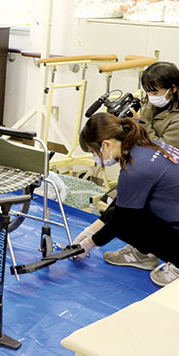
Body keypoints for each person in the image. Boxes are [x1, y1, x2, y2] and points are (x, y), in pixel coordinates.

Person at [74, 112, 179, 287]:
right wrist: (90, 230)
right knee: (119, 212)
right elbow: (123, 200)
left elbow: (121, 221)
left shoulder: (136, 168)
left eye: (93, 152)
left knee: (125, 222)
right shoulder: (146, 146)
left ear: (106, 145)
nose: (94, 158)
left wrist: (88, 244)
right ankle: (143, 253)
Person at [103, 61, 179, 270]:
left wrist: (140, 124)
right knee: (122, 207)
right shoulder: (154, 105)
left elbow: (163, 149)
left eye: (155, 92)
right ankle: (143, 251)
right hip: (156, 170)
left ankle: (175, 262)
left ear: (173, 88)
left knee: (130, 212)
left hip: (169, 175)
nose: (151, 96)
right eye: (147, 91)